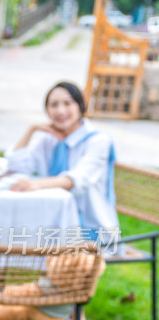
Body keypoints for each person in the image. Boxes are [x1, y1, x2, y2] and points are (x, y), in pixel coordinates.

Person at [7, 81, 119, 245]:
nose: (60, 111)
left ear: (80, 106)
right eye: (53, 105)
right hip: (52, 223)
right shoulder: (48, 139)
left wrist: (37, 184)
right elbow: (16, 164)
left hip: (90, 230)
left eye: (67, 103)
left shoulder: (98, 141)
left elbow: (78, 179)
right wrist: (31, 130)